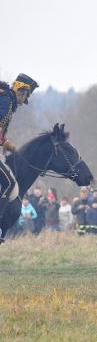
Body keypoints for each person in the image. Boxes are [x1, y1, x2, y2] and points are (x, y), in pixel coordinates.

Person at [0, 74, 39, 241]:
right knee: (9, 184)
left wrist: (5, 141)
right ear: (21, 91)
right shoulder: (7, 101)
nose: (24, 101)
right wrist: (6, 143)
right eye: (25, 95)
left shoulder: (5, 99)